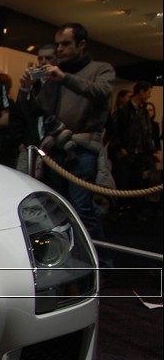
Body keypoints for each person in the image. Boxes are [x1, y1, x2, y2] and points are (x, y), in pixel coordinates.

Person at [16, 23, 115, 251]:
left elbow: (102, 92)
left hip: (82, 149)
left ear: (81, 44)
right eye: (58, 44)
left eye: (66, 44)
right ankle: (67, 257)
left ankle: (100, 262)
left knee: (82, 209)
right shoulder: (53, 74)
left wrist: (64, 78)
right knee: (56, 209)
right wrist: (26, 89)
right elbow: (35, 110)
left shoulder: (101, 69)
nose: (60, 49)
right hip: (55, 148)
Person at [107, 81, 154, 216]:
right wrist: (120, 148)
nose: (149, 96)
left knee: (137, 183)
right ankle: (118, 209)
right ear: (141, 92)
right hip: (126, 151)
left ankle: (134, 210)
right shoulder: (123, 110)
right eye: (148, 92)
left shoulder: (143, 111)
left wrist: (149, 149)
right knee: (123, 182)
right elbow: (114, 131)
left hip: (140, 152)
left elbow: (146, 132)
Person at [12, 44, 57, 173]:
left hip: (52, 145)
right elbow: (19, 113)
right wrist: (20, 141)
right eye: (40, 58)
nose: (43, 62)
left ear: (57, 60)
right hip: (31, 143)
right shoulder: (33, 83)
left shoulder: (59, 83)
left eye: (48, 58)